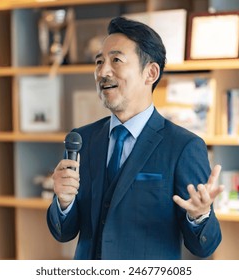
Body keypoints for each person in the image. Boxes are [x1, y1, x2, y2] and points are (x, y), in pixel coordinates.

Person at [47, 16, 224, 260]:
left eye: (116, 60)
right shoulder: (82, 139)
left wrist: (200, 216)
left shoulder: (184, 147)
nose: (103, 72)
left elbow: (204, 247)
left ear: (150, 73)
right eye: (99, 62)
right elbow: (63, 233)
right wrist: (63, 203)